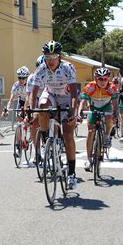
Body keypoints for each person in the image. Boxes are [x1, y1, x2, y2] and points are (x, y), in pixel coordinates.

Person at [29, 40, 78, 190]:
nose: (50, 60)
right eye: (47, 57)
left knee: (68, 134)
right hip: (50, 93)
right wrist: (32, 109)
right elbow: (34, 92)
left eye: (54, 56)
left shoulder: (68, 68)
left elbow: (74, 93)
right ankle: (46, 141)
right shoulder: (41, 69)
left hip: (65, 96)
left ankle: (71, 174)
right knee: (42, 106)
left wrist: (73, 111)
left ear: (60, 57)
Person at [78, 68, 118, 171]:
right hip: (94, 107)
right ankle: (89, 159)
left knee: (109, 117)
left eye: (105, 79)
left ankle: (107, 136)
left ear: (108, 79)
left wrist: (115, 114)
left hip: (106, 106)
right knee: (91, 132)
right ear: (96, 78)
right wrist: (79, 112)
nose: (103, 81)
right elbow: (83, 101)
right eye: (100, 79)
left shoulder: (111, 87)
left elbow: (115, 104)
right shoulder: (90, 87)